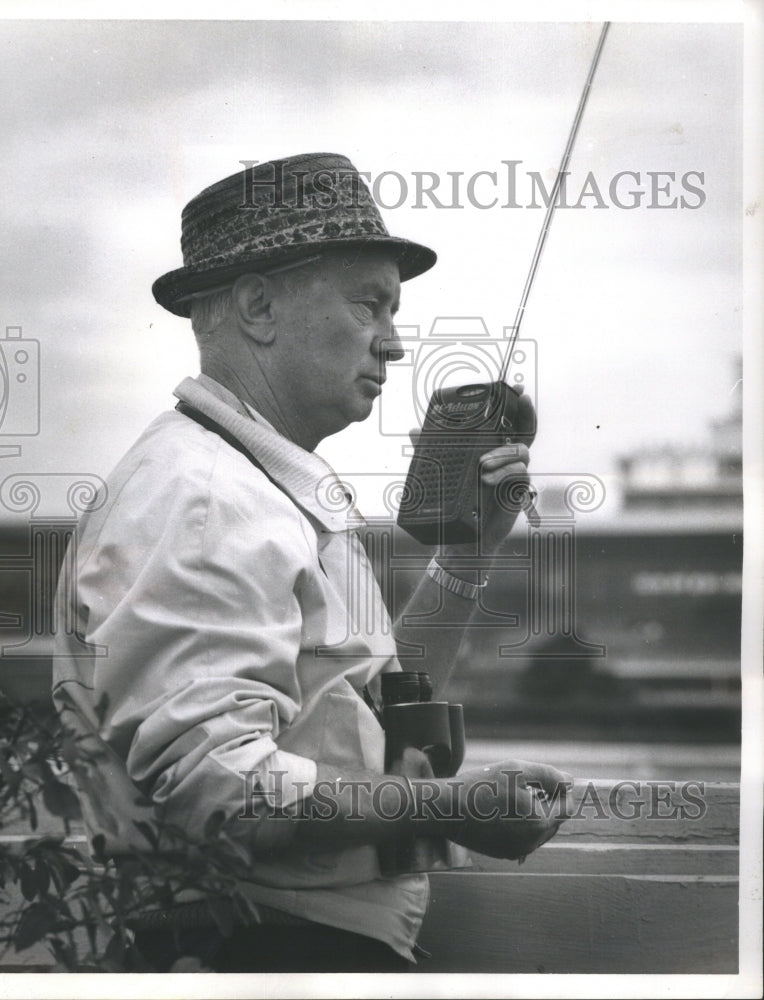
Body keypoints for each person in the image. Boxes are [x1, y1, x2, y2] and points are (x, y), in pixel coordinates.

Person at [52, 153, 570, 973]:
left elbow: (377, 711)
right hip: (261, 952)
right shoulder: (204, 497)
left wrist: (471, 553)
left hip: (280, 948)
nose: (395, 345)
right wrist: (451, 805)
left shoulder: (255, 485)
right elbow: (221, 786)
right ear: (259, 305)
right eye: (371, 304)